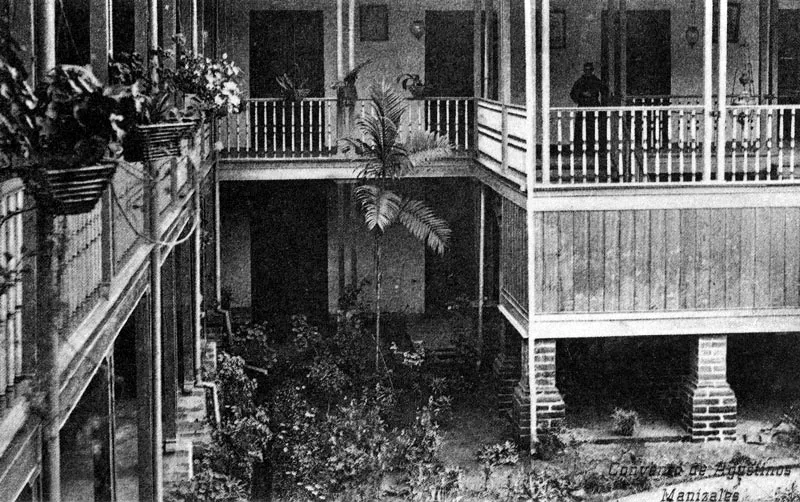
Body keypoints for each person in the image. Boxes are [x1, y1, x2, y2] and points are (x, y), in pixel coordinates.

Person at [569, 63, 609, 165]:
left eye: (589, 70)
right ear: (583, 71)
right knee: (580, 130)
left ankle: (594, 150)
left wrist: (599, 101)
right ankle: (580, 150)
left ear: (592, 70)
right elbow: (573, 94)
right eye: (586, 70)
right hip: (583, 107)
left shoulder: (596, 81)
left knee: (594, 129)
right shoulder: (580, 81)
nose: (588, 72)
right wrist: (582, 95)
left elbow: (605, 91)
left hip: (594, 107)